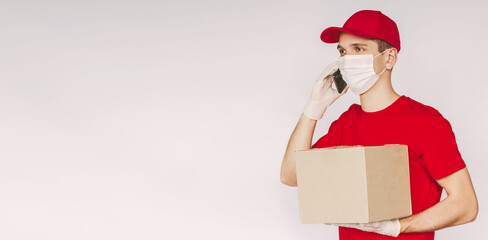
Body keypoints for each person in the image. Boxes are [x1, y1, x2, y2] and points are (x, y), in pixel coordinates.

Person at [280, 10, 478, 239]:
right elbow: (292, 176)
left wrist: (398, 227)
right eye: (342, 51)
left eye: (359, 49)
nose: (347, 60)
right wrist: (313, 110)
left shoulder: (426, 123)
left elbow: (466, 204)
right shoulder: (346, 123)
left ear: (389, 57)